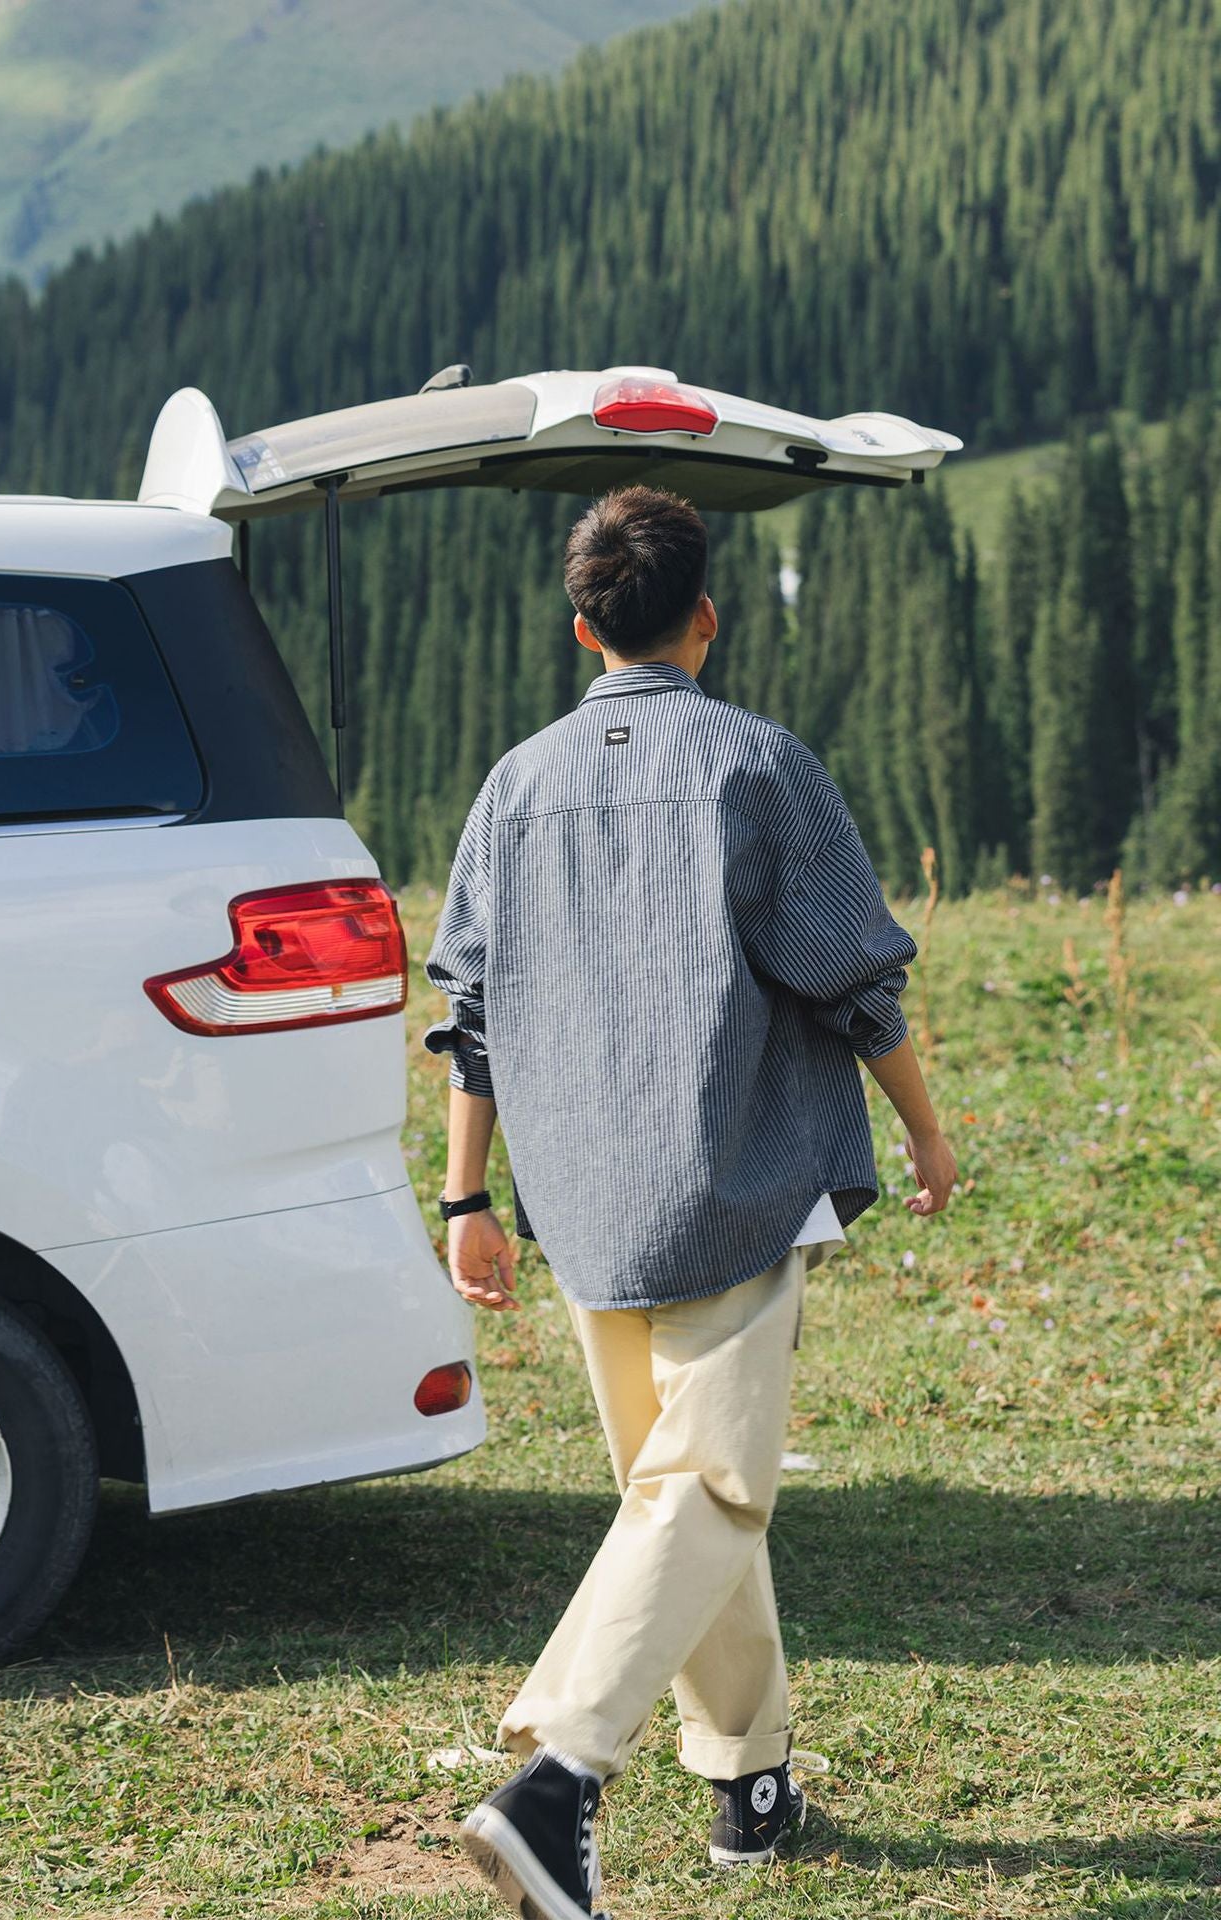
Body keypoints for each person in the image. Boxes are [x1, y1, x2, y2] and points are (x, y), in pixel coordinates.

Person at [423, 484, 957, 1920]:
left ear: (582, 626)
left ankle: (751, 1779)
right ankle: (557, 1779)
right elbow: (853, 980)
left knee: (678, 1498)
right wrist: (923, 1130)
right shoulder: (757, 766)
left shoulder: (513, 787)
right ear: (703, 618)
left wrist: (465, 1194)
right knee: (712, 1490)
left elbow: (469, 1011)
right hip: (734, 1182)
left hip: (583, 1200)